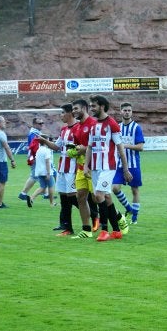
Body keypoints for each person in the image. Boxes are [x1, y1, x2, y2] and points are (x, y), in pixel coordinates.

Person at [83, 95, 133, 241]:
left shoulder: (112, 124)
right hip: (96, 167)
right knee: (106, 197)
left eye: (93, 106)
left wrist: (125, 169)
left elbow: (120, 148)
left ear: (102, 106)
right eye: (91, 106)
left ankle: (104, 230)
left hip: (108, 166)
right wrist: (86, 165)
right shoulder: (92, 124)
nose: (91, 108)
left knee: (98, 196)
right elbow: (90, 147)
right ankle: (117, 230)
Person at [38, 104, 79, 236]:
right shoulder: (63, 130)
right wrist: (44, 141)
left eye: (62, 113)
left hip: (73, 168)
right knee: (63, 198)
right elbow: (57, 147)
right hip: (62, 167)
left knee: (72, 197)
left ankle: (94, 215)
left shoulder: (79, 128)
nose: (60, 115)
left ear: (69, 114)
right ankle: (67, 227)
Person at [71, 98, 100, 239]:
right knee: (80, 197)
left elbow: (99, 146)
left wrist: (83, 149)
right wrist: (74, 151)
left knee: (97, 198)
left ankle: (118, 217)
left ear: (84, 108)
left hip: (94, 167)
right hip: (81, 167)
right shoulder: (76, 127)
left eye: (76, 108)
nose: (74, 111)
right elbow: (77, 147)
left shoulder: (94, 124)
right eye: (73, 109)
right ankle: (86, 229)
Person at [112, 102, 145, 224]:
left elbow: (140, 147)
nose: (127, 112)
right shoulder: (117, 127)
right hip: (119, 164)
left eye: (129, 110)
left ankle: (134, 217)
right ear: (120, 112)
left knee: (134, 190)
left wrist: (124, 145)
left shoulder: (136, 127)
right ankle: (129, 208)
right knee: (115, 188)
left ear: (132, 112)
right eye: (125, 110)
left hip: (133, 164)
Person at [17, 117, 44, 202]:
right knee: (34, 175)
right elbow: (34, 147)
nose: (41, 125)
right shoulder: (34, 133)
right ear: (34, 124)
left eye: (42, 123)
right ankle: (23, 193)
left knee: (40, 174)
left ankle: (45, 193)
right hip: (35, 156)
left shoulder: (36, 132)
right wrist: (36, 157)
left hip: (34, 156)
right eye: (40, 123)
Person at [27, 136, 57, 207]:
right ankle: (52, 203)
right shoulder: (47, 150)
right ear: (46, 141)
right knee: (51, 186)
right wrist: (48, 173)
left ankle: (31, 198)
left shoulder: (38, 150)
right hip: (46, 171)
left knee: (42, 187)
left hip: (39, 171)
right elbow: (47, 162)